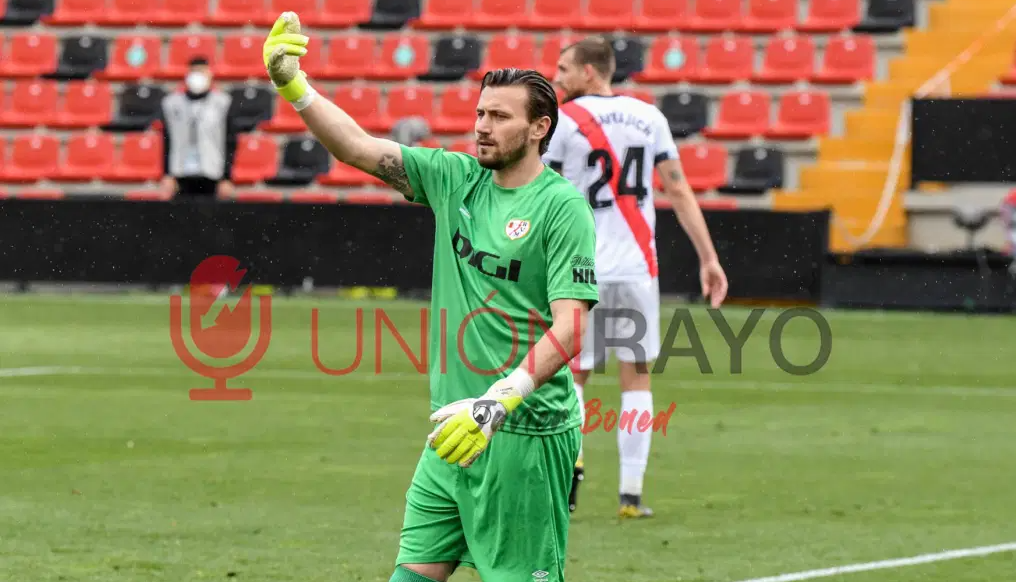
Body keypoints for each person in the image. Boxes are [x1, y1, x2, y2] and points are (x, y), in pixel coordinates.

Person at [263, 12, 599, 582]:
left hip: (524, 434)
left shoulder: (561, 207)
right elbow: (357, 148)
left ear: (540, 128)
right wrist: (293, 84)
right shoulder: (454, 178)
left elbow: (571, 328)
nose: (482, 127)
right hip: (451, 431)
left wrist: (500, 400)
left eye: (499, 116)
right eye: (479, 114)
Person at [543, 36, 729, 519]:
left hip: (579, 263)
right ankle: (630, 494)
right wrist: (708, 258)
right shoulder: (650, 117)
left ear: (589, 72)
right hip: (636, 267)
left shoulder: (564, 121)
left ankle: (569, 478)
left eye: (564, 69)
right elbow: (679, 189)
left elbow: (541, 189)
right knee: (637, 375)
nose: (557, 77)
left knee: (574, 373)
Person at [159, 57, 237, 198]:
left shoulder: (222, 103)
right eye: (194, 71)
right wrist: (166, 174)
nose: (197, 76)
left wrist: (227, 177)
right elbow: (166, 140)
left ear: (209, 74)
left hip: (211, 173)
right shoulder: (171, 103)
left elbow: (229, 141)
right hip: (180, 173)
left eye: (202, 71)